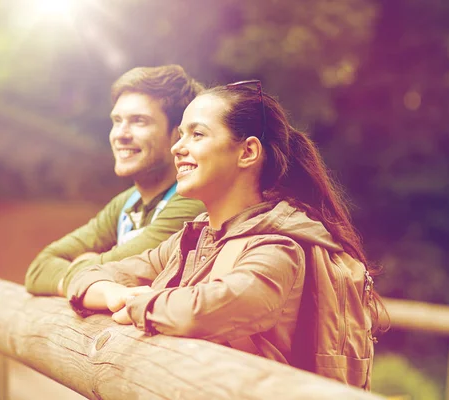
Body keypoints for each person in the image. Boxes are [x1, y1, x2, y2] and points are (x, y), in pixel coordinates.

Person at [65, 80, 383, 390]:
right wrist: (112, 294)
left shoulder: (278, 248)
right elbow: (82, 276)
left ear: (247, 152)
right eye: (180, 135)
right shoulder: (192, 240)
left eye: (197, 134)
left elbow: (203, 311)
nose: (177, 147)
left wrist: (139, 304)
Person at [25, 65, 206, 297]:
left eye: (139, 121)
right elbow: (39, 268)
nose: (121, 134)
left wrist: (81, 270)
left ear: (179, 134)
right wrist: (85, 279)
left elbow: (104, 271)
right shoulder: (127, 202)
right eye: (117, 120)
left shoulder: (194, 200)